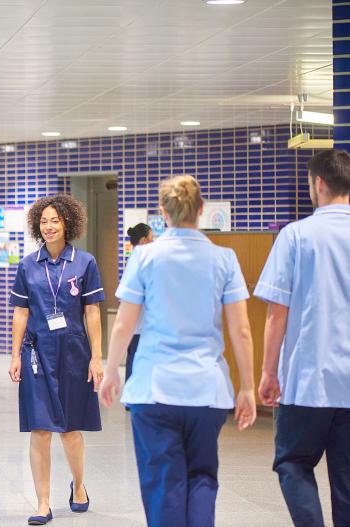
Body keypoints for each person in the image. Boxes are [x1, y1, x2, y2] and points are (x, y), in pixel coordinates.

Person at [99, 175, 257, 527]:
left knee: (162, 483)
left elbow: (124, 324)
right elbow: (241, 330)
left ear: (162, 213)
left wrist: (112, 372)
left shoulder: (145, 256)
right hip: (207, 390)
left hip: (156, 391)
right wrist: (247, 387)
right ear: (201, 210)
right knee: (202, 477)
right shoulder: (224, 259)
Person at [254, 148, 350, 527]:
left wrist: (268, 372)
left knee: (293, 463)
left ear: (319, 184)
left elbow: (277, 312)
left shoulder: (296, 236)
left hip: (308, 378)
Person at [8, 194, 104, 526]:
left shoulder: (85, 262)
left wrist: (97, 356)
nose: (48, 226)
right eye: (44, 221)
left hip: (74, 354)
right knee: (40, 429)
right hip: (36, 353)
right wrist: (15, 353)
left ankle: (79, 486)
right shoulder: (27, 265)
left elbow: (92, 311)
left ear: (68, 224)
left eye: (55, 220)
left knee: (70, 430)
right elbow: (21, 311)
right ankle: (43, 502)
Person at [124, 222, 153, 382]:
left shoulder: (137, 261)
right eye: (151, 239)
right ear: (143, 241)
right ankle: (131, 399)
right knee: (136, 359)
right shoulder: (139, 263)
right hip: (139, 324)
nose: (153, 243)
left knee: (135, 358)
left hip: (139, 323)